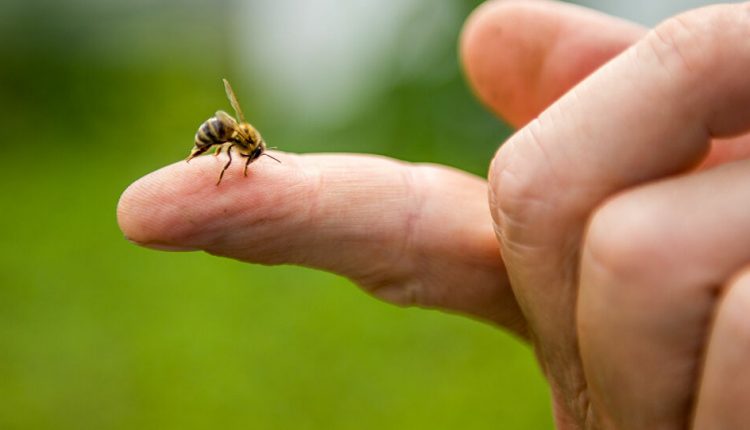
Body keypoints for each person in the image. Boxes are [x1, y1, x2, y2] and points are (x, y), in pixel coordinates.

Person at [117, 0, 750, 427]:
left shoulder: (246, 143)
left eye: (247, 152)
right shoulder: (236, 144)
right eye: (248, 153)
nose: (248, 155)